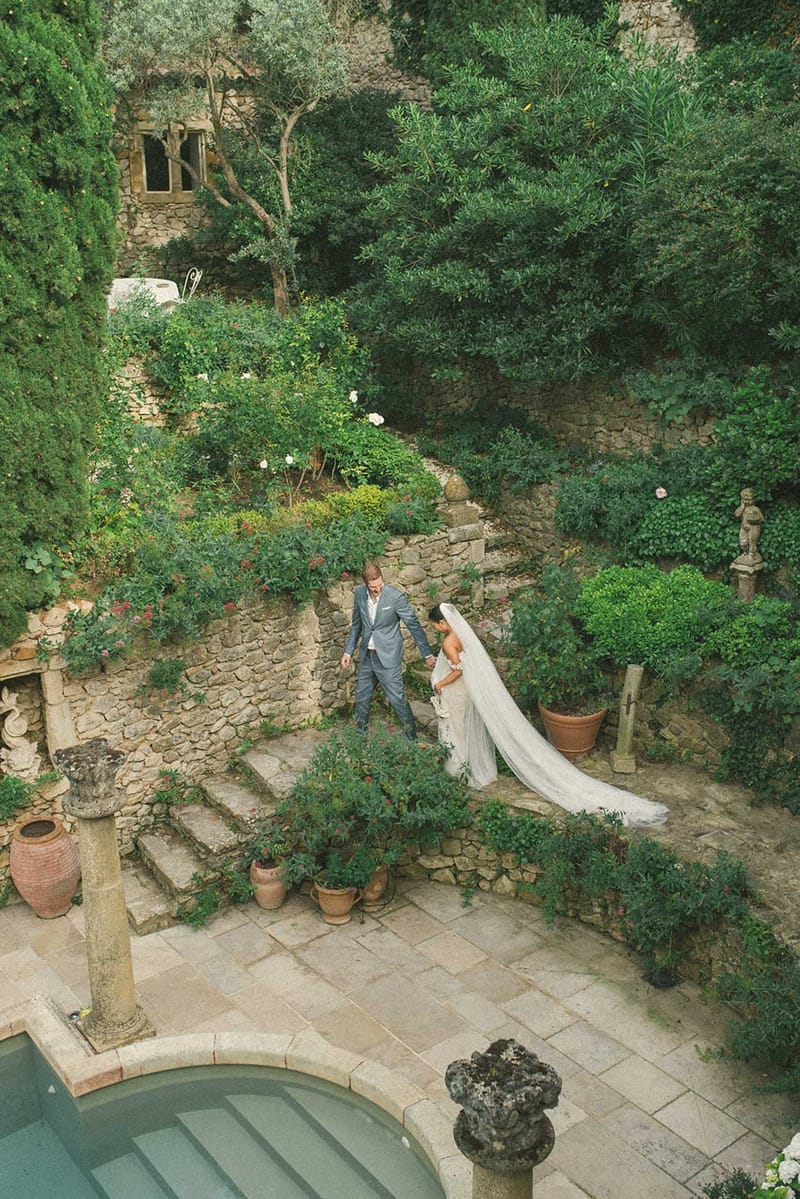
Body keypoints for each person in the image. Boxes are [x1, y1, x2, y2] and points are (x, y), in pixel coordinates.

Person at [428, 602, 668, 829]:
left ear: (442, 623)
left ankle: (458, 768)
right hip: (466, 693)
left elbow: (459, 669)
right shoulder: (461, 635)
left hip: (457, 693)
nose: (435, 630)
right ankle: (463, 765)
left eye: (434, 626)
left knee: (457, 727)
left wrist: (440, 684)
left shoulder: (450, 642)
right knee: (460, 727)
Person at [341, 563, 435, 739]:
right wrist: (348, 652)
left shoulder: (395, 597)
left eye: (379, 585)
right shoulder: (360, 594)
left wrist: (427, 654)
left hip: (388, 658)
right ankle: (360, 737)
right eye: (373, 587)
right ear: (365, 584)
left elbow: (413, 625)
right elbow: (356, 625)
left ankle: (411, 738)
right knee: (361, 697)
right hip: (367, 657)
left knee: (397, 699)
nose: (377, 590)